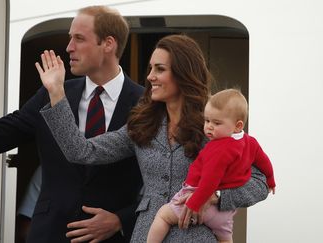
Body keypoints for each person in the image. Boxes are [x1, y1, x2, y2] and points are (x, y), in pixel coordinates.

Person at [0, 5, 144, 243]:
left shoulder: (145, 104)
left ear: (108, 44)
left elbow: (164, 182)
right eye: (69, 38)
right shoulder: (51, 94)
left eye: (79, 38)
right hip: (49, 235)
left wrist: (121, 220)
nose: (69, 47)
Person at [36, 34, 270, 242]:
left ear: (183, 72)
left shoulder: (215, 125)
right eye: (150, 69)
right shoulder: (142, 125)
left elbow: (261, 183)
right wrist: (57, 93)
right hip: (146, 235)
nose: (150, 77)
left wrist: (216, 196)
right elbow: (82, 151)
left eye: (160, 69)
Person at [146, 88, 276, 243]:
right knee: (225, 238)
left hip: (198, 197)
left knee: (163, 216)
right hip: (225, 213)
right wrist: (271, 180)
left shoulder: (219, 149)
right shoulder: (250, 142)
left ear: (238, 125)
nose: (209, 127)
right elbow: (264, 162)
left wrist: (195, 203)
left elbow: (210, 180)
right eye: (207, 121)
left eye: (216, 123)